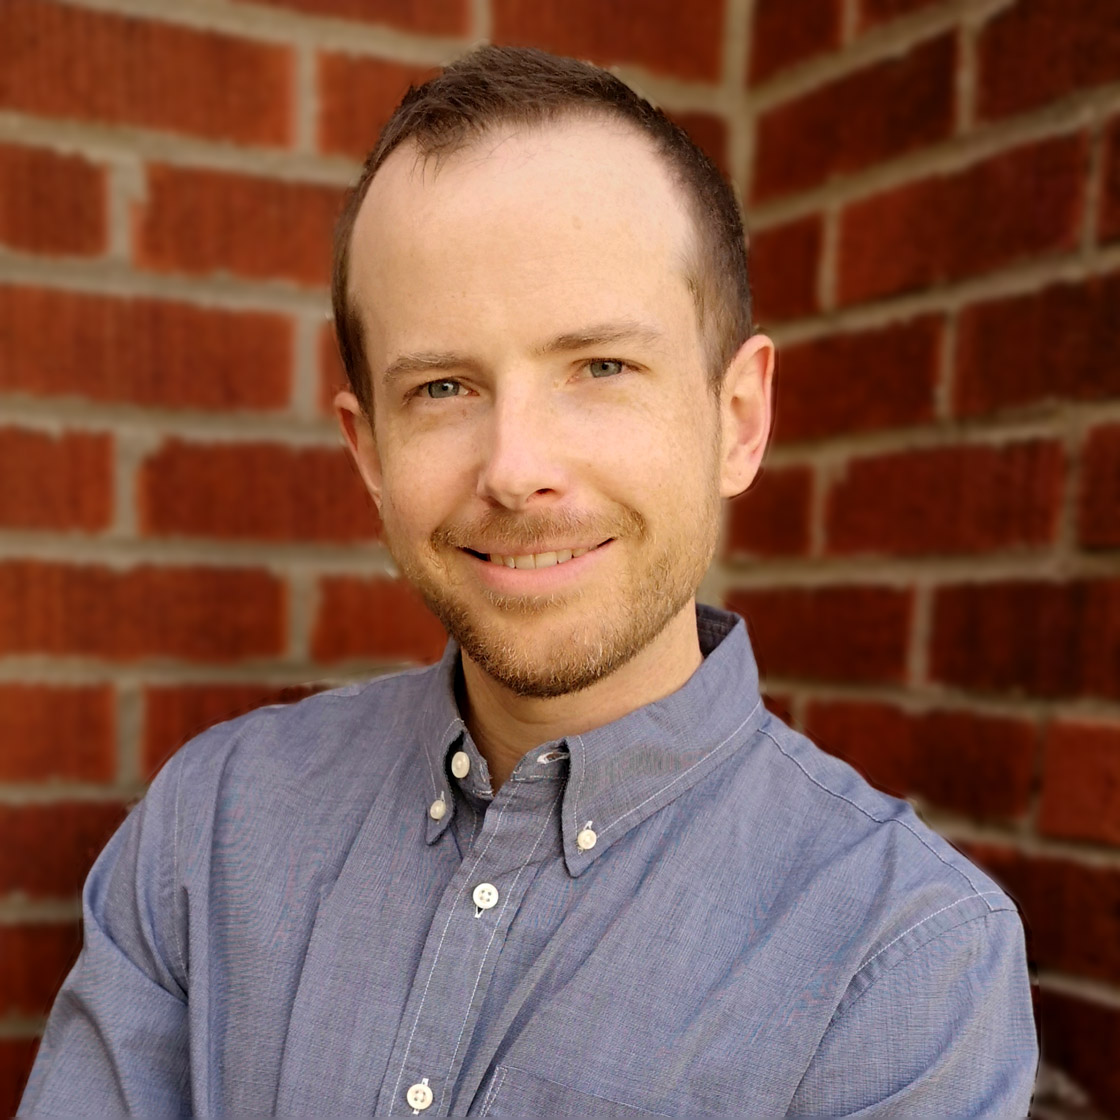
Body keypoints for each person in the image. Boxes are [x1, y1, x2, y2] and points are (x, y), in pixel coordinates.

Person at [21, 45, 1038, 1118]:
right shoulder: (210, 828)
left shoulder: (905, 961)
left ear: (737, 419)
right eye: (444, 385)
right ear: (369, 454)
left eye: (600, 367)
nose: (515, 468)